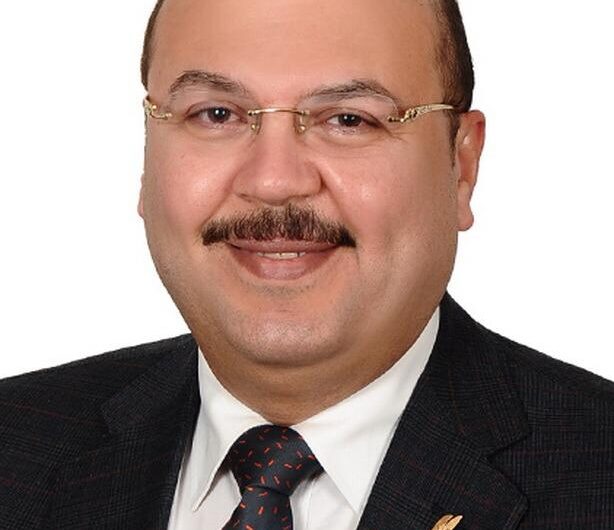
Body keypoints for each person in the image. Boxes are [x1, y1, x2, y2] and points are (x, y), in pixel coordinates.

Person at [1, 0, 612, 529]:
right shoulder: (16, 446)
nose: (273, 182)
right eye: (216, 114)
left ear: (462, 167)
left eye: (348, 120)